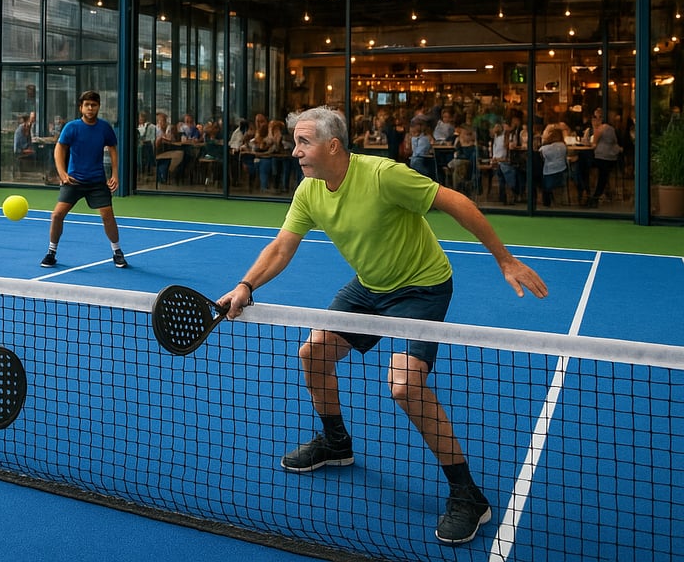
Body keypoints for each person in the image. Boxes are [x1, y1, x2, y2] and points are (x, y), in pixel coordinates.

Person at [215, 106, 548, 546]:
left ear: (333, 146)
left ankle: (468, 495)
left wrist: (504, 259)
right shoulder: (310, 190)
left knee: (405, 386)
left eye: (304, 142)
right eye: (295, 141)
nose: (295, 151)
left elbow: (456, 202)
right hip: (370, 287)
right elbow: (281, 246)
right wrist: (245, 285)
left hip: (421, 287)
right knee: (312, 353)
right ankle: (336, 443)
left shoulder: (383, 176)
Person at [41, 90, 128, 269]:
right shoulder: (71, 127)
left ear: (98, 107)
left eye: (94, 105)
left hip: (97, 182)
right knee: (57, 215)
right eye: (87, 105)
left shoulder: (105, 128)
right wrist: (62, 173)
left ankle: (117, 252)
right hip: (73, 181)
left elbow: (112, 149)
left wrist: (115, 174)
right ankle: (51, 252)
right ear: (81, 108)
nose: (90, 108)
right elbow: (59, 149)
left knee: (107, 216)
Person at [538, 127, 569, 207]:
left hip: (550, 171)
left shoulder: (547, 148)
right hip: (562, 169)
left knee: (546, 188)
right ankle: (559, 202)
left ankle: (547, 204)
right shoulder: (563, 145)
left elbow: (541, 153)